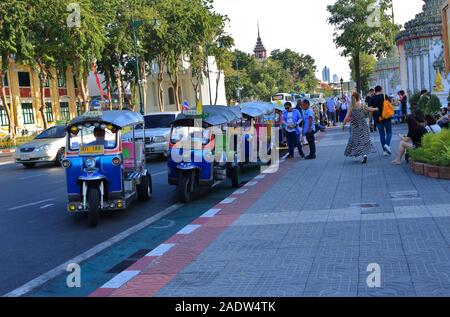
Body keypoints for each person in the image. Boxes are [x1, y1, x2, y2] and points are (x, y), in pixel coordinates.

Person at [342, 92, 377, 164]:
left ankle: (355, 154)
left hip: (354, 126)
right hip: (363, 125)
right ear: (359, 97)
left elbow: (346, 117)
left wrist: (343, 125)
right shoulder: (362, 104)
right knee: (364, 140)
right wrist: (376, 108)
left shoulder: (351, 106)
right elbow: (369, 109)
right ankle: (364, 155)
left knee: (355, 140)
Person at [369, 85, 393, 156]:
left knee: (381, 134)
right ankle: (387, 145)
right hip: (387, 117)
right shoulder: (385, 96)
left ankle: (384, 150)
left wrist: (370, 120)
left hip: (377, 119)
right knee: (389, 132)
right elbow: (390, 105)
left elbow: (370, 110)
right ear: (381, 89)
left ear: (375, 90)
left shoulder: (372, 98)